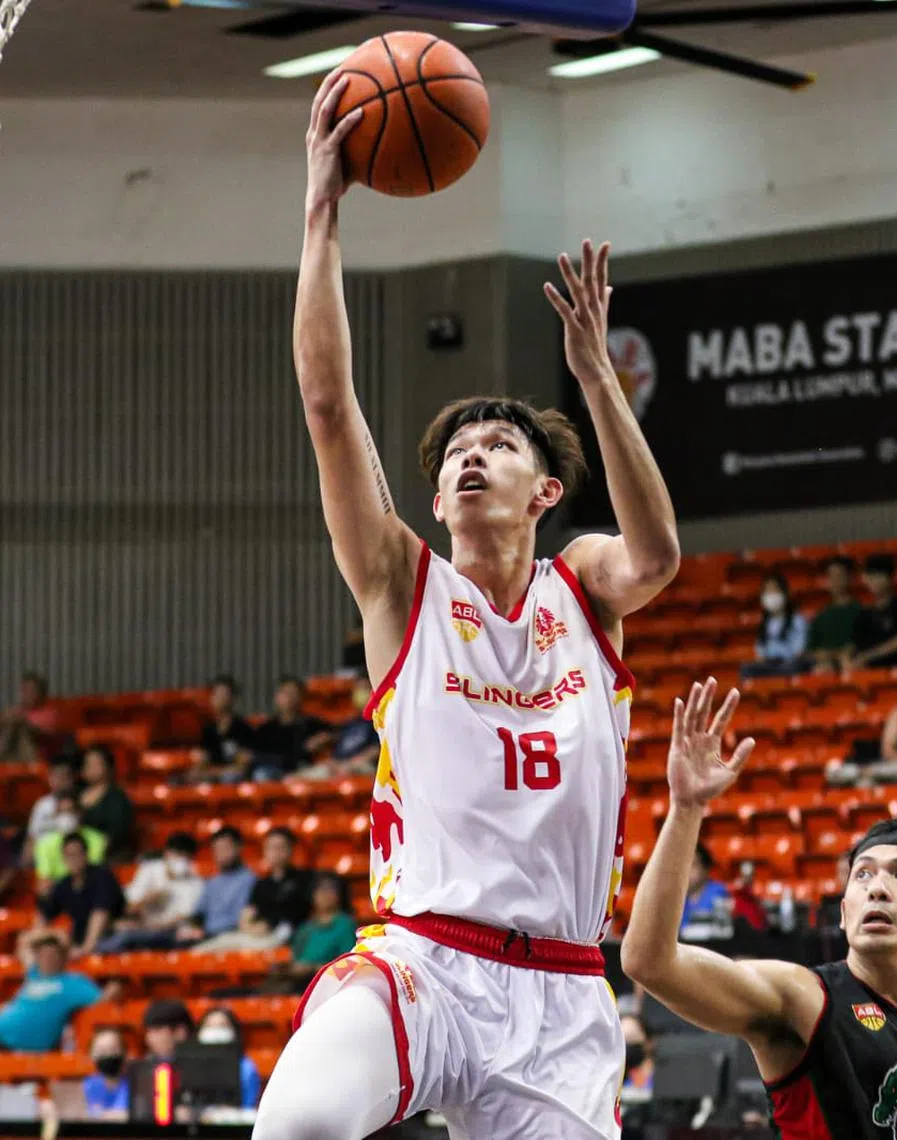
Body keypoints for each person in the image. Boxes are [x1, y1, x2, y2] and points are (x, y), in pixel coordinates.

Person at [252, 72, 678, 1140]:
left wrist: (597, 379)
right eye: (455, 455)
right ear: (437, 499)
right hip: (426, 963)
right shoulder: (403, 584)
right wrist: (320, 212)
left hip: (563, 995)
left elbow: (659, 556)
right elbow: (326, 404)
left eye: (500, 444)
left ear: (546, 492)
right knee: (297, 1125)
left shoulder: (583, 584)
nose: (471, 457)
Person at [622, 679, 897, 1140]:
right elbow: (648, 962)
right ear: (844, 912)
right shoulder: (803, 999)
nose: (877, 888)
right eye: (862, 875)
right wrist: (686, 808)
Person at [193, 827, 310, 952]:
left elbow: (297, 915)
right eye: (270, 847)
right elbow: (247, 914)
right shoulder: (262, 883)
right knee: (199, 951)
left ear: (291, 849)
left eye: (280, 847)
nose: (276, 852)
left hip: (284, 936)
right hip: (254, 934)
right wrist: (251, 927)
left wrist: (268, 925)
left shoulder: (304, 880)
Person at [97, 832, 204, 953]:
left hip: (171, 934)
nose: (182, 860)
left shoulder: (196, 882)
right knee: (118, 934)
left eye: (187, 857)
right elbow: (128, 909)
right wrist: (148, 899)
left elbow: (185, 918)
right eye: (178, 854)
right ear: (167, 853)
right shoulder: (149, 870)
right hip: (142, 928)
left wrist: (154, 927)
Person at [0, 930, 104, 1051]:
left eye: (53, 955)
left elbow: (101, 1000)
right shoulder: (34, 974)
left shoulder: (73, 983)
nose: (47, 959)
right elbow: (24, 942)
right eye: (43, 955)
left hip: (22, 1047)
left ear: (63, 958)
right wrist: (50, 936)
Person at [264, 872, 357, 994]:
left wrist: (312, 969)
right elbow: (296, 959)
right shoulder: (305, 927)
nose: (325, 893)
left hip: (327, 983)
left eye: (331, 888)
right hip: (299, 981)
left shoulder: (346, 925)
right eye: (320, 889)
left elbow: (348, 966)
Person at [37, 831, 125, 957]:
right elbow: (45, 915)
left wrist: (86, 948)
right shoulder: (64, 884)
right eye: (69, 855)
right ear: (63, 858)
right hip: (78, 939)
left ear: (86, 854)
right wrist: (37, 935)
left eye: (77, 854)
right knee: (31, 941)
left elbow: (100, 914)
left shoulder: (102, 877)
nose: (73, 859)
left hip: (106, 937)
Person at [174, 827, 256, 947]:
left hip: (228, 936)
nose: (221, 854)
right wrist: (192, 928)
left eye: (225, 848)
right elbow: (199, 914)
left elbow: (240, 922)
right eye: (217, 849)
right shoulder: (212, 882)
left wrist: (204, 933)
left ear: (239, 848)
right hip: (205, 935)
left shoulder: (249, 880)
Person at [846, 555, 897, 671]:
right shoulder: (864, 613)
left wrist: (868, 656)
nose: (874, 582)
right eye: (870, 577)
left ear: (890, 578)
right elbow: (853, 644)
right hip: (867, 670)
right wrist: (846, 659)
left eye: (879, 576)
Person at [249, 677, 335, 781]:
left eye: (294, 693)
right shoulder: (266, 729)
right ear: (277, 697)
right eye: (286, 693)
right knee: (261, 774)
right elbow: (255, 756)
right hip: (275, 771)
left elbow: (334, 733)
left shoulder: (311, 724)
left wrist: (324, 738)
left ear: (301, 698)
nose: (290, 697)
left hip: (302, 771)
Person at [294, 676, 377, 780]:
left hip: (363, 765)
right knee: (295, 779)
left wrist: (349, 764)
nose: (360, 693)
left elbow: (376, 749)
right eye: (357, 689)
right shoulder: (350, 723)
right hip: (339, 765)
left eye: (364, 688)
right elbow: (338, 746)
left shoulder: (378, 720)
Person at [33, 789, 108, 891]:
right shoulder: (44, 844)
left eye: (70, 811)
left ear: (79, 813)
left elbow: (93, 873)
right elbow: (45, 882)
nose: (66, 816)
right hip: (59, 892)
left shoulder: (97, 840)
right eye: (62, 812)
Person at [189, 676, 256, 784]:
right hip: (211, 777)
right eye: (216, 694)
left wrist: (213, 773)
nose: (219, 698)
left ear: (233, 698)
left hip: (232, 781)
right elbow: (202, 761)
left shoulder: (243, 728)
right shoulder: (208, 729)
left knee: (230, 778)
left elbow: (241, 768)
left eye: (223, 694)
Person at [740, 573, 809, 678]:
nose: (771, 595)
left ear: (785, 593)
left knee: (792, 668)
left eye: (774, 590)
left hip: (788, 664)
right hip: (769, 665)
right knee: (746, 668)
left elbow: (799, 651)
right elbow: (760, 652)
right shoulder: (764, 623)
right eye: (767, 591)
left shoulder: (797, 621)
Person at [197, 1007, 263, 1110]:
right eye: (209, 1026)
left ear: (234, 1032)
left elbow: (249, 1107)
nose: (215, 1032)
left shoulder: (246, 1068)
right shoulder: (190, 1067)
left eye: (222, 1026)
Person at [807, 557, 863, 674]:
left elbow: (862, 644)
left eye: (839, 576)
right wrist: (821, 655)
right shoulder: (821, 615)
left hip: (851, 662)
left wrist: (843, 654)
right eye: (831, 576)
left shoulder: (861, 611)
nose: (834, 581)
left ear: (850, 578)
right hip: (825, 666)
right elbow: (810, 650)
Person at [78, 747, 135, 861]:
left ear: (108, 767)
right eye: (87, 763)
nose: (90, 768)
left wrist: (96, 850)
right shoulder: (76, 794)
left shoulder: (117, 797)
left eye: (96, 764)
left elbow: (117, 833)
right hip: (76, 852)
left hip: (108, 854)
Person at [23, 755, 78, 864]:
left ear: (72, 779)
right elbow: (32, 838)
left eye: (66, 776)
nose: (62, 781)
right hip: (45, 862)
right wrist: (26, 864)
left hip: (73, 860)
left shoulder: (82, 802)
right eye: (57, 776)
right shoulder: (42, 805)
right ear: (50, 778)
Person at [0, 671, 61, 765]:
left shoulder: (49, 712)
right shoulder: (17, 710)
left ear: (41, 693)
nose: (26, 694)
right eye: (24, 690)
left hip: (35, 756)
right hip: (12, 755)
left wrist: (23, 723)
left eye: (31, 691)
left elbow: (45, 733)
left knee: (19, 727)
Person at [680, 843, 733, 941]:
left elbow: (720, 931)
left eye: (693, 865)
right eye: (684, 866)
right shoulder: (680, 899)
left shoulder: (718, 892)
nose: (687, 871)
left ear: (706, 869)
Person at [83, 1027, 130, 1120]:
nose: (108, 1055)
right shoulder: (84, 1087)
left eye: (113, 1049)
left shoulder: (135, 1086)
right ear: (91, 1055)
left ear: (124, 1052)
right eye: (101, 1051)